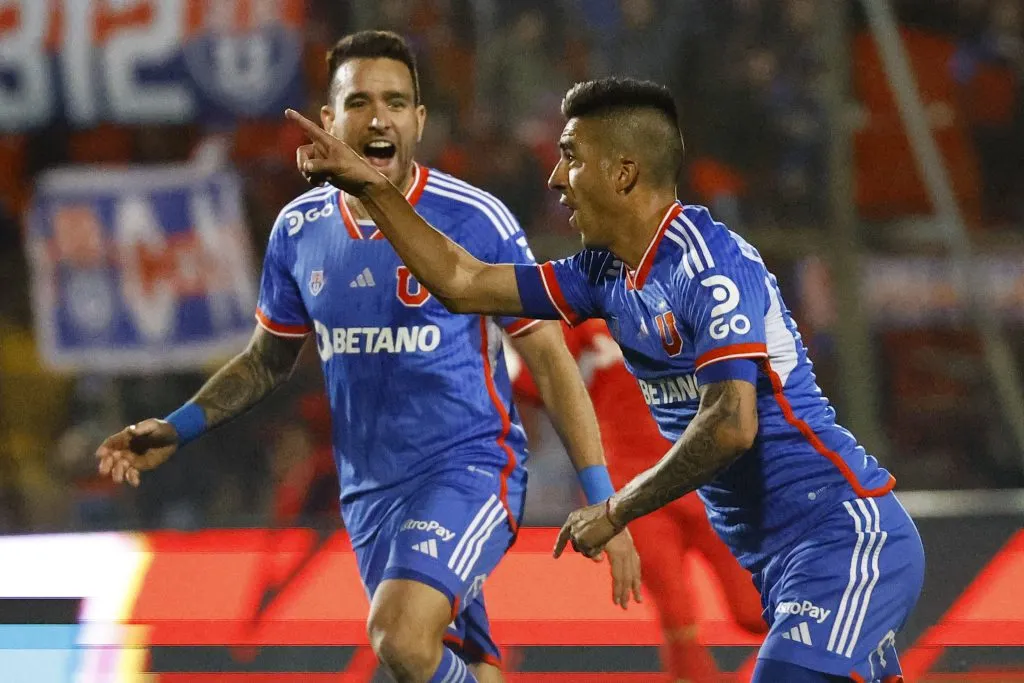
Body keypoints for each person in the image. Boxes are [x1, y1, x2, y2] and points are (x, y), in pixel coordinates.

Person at [283, 75, 926, 683]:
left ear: (624, 172)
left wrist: (616, 507)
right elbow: (463, 280)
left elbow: (731, 423)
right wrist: (372, 188)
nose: (557, 177)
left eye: (571, 156)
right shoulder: (603, 274)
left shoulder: (708, 266)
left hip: (842, 536)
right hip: (780, 563)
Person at [95, 34, 641, 683]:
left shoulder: (473, 220)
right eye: (359, 101)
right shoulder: (299, 231)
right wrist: (176, 425)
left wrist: (606, 500)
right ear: (329, 120)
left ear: (418, 121)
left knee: (399, 634)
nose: (378, 117)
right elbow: (266, 361)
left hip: (471, 469)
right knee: (456, 662)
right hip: (371, 494)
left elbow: (549, 360)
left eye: (395, 101)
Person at [506, 319, 767, 682]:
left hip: (707, 478)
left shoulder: (696, 304)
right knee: (677, 612)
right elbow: (536, 382)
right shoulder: (587, 319)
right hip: (635, 489)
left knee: (755, 609)